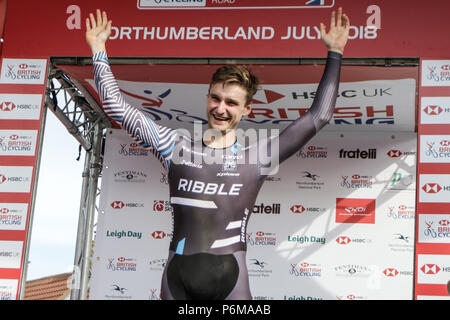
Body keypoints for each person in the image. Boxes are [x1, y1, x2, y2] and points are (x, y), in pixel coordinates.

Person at [86, 8, 350, 300]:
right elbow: (115, 106)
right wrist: (99, 49)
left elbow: (319, 115)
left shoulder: (258, 156)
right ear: (207, 97)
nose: (221, 108)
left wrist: (335, 52)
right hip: (177, 279)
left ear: (247, 109)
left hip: (231, 280)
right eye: (215, 98)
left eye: (231, 103)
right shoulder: (173, 145)